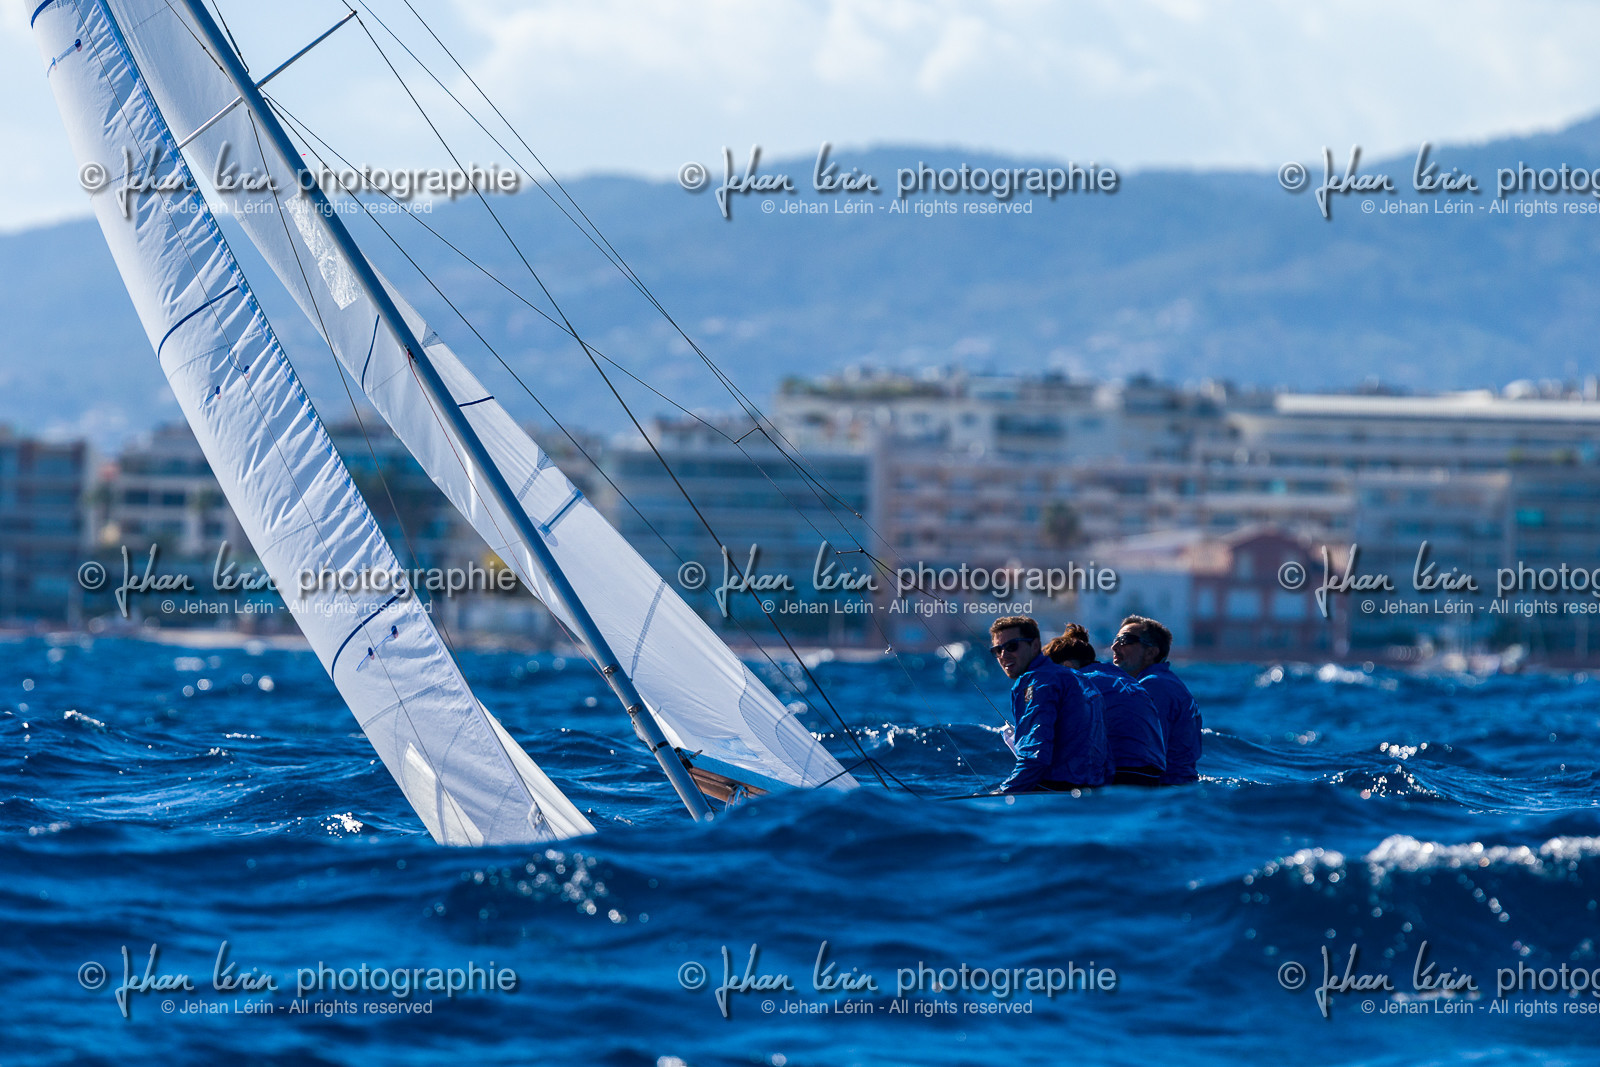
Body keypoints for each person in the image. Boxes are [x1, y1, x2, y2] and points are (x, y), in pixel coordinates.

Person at [988, 615, 1109, 793]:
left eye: (1012, 646)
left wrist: (1003, 792)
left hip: (1059, 792)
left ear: (1035, 645)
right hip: (1095, 788)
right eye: (997, 650)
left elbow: (1035, 757)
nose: (1004, 655)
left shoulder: (1038, 683)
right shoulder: (1073, 676)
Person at [1045, 624, 1165, 786]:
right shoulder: (1122, 676)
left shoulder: (1078, 682)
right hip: (1154, 775)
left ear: (1067, 666)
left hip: (1121, 774)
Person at [1110, 615, 1201, 784]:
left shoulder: (1153, 686)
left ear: (1151, 652)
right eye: (1116, 639)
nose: (1114, 646)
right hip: (1178, 787)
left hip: (1163, 791)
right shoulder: (1167, 682)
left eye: (1125, 640)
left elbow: (1146, 755)